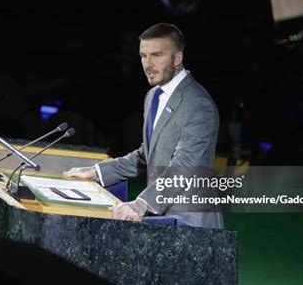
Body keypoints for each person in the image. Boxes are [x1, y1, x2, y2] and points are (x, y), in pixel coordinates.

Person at [64, 23, 223, 229]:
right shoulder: (153, 95)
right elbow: (146, 155)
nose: (147, 64)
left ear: (177, 58)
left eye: (156, 55)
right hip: (161, 222)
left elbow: (185, 164)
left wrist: (142, 204)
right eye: (143, 56)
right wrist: (97, 172)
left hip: (190, 223)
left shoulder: (198, 104)